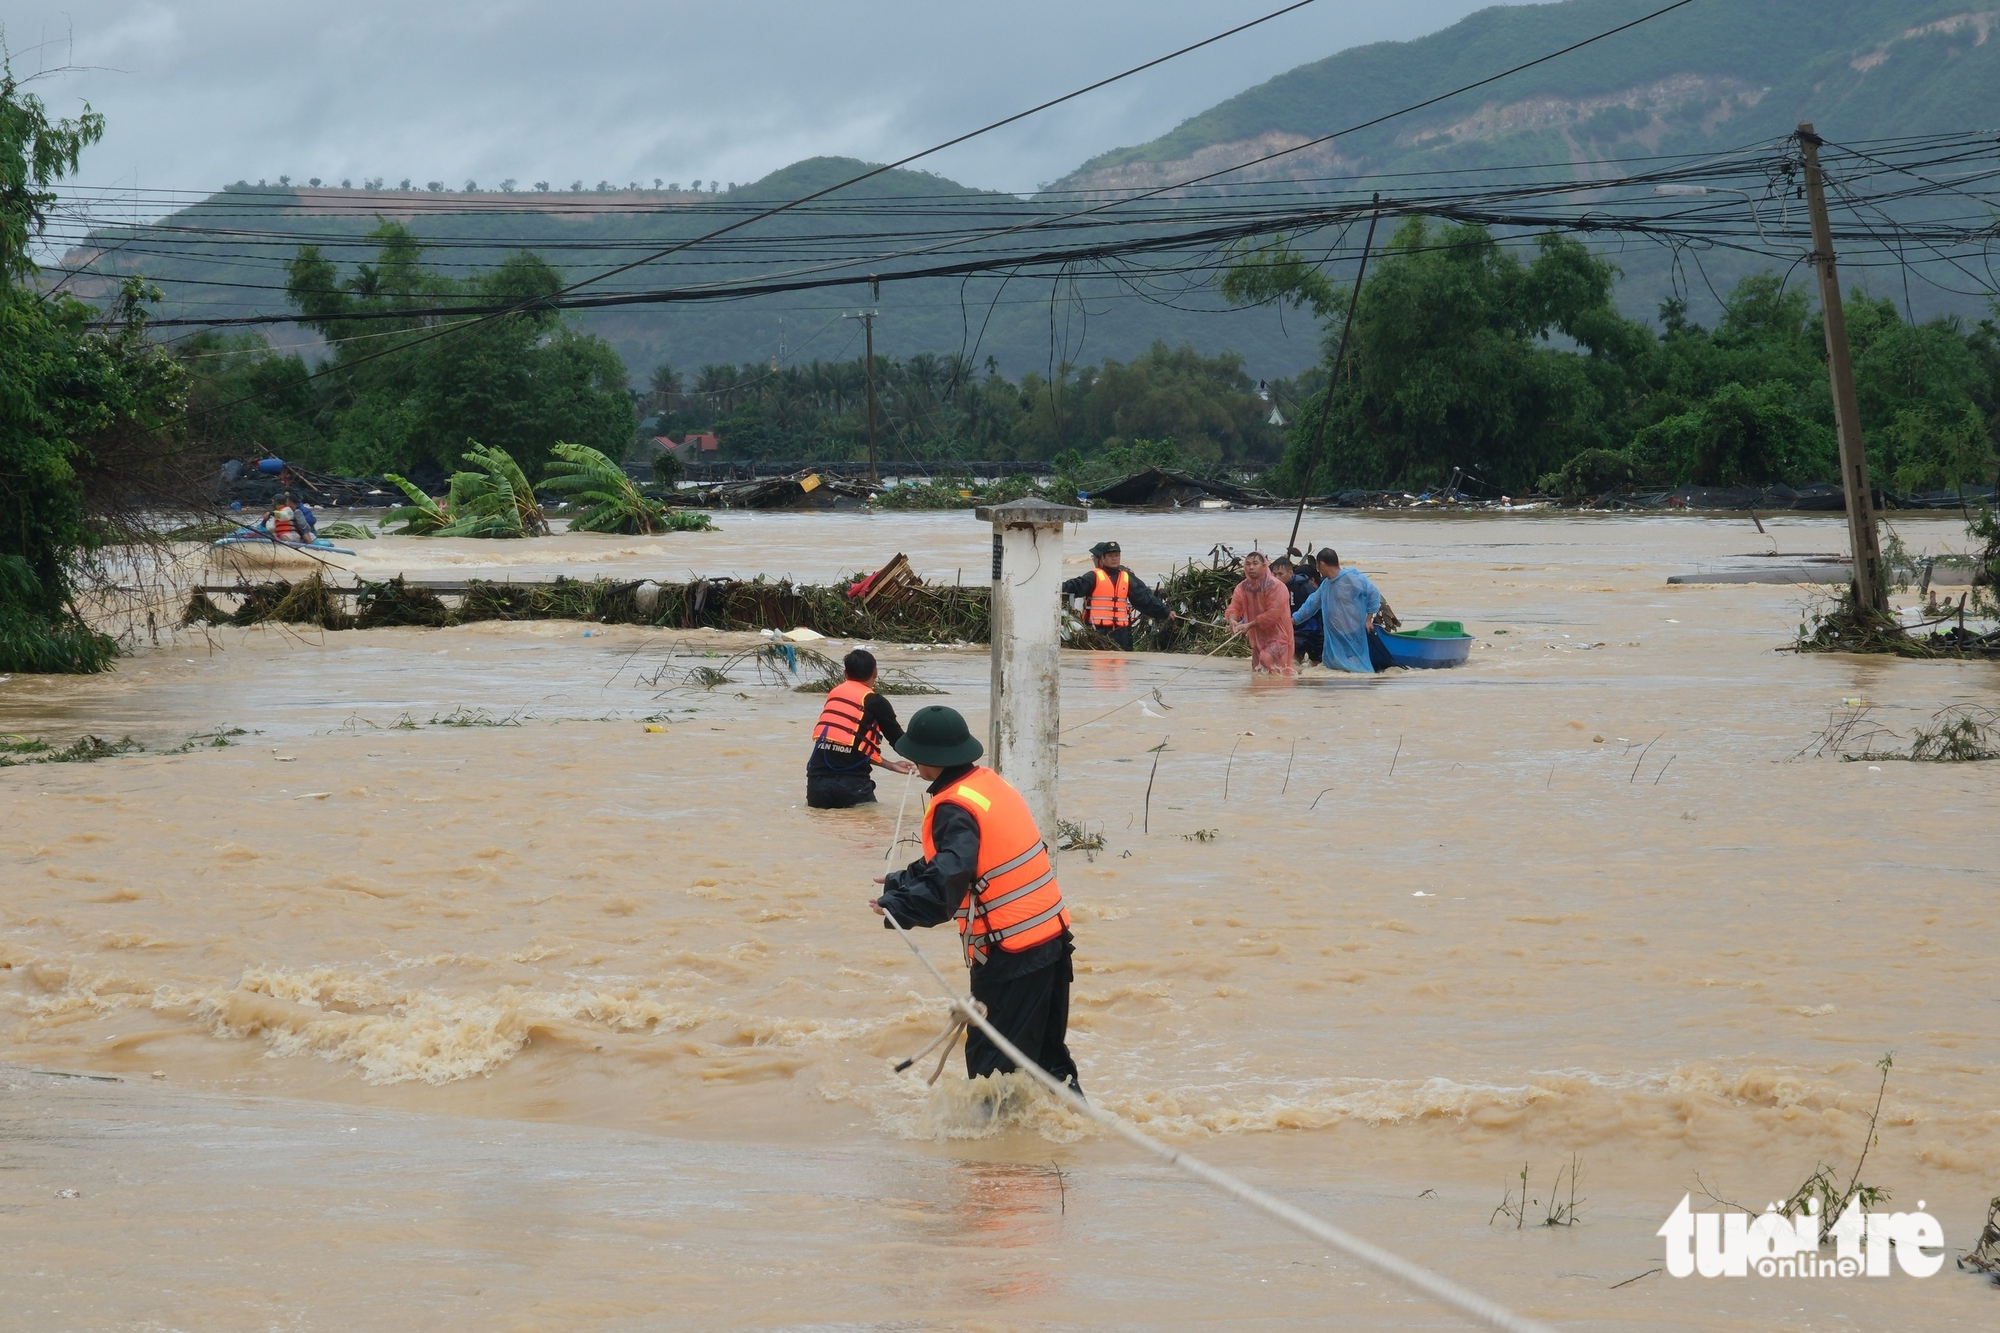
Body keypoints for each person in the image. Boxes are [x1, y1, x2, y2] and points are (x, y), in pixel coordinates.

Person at [869, 706, 1080, 1095]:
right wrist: (902, 880)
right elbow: (972, 862)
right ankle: (1066, 1141)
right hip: (1051, 939)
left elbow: (945, 890)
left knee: (991, 1073)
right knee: (1048, 1062)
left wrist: (898, 907)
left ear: (929, 759)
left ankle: (988, 1156)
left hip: (1010, 955)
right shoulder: (987, 784)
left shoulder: (953, 806)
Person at [807, 648, 915, 808]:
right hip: (852, 786)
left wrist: (890, 765)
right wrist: (933, 764)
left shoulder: (834, 695)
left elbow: (847, 748)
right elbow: (900, 743)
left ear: (845, 673)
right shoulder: (876, 701)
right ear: (875, 672)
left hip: (817, 786)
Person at [1060, 540, 1173, 651]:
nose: (1114, 558)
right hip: (1098, 633)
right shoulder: (1093, 576)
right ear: (1103, 558)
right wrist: (1054, 589)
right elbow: (1073, 586)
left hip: (1122, 633)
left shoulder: (1127, 577)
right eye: (1110, 555)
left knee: (1122, 666)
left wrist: (1166, 612)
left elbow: (1144, 599)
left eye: (1116, 555)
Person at [1293, 547, 1383, 673]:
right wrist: (1294, 619)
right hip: (1334, 637)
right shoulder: (1326, 585)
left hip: (1353, 633)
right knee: (1334, 669)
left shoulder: (1352, 578)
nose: (1317, 569)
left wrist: (1368, 619)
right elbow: (1311, 604)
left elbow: (1373, 593)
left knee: (1357, 668)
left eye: (1318, 565)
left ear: (1322, 563)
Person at [1225, 551, 1294, 675]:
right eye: (1248, 564)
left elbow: (1272, 614)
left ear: (1264, 566)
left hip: (1278, 636)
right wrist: (1232, 620)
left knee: (1270, 663)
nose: (1251, 567)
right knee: (1257, 670)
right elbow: (1234, 606)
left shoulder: (1276, 586)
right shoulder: (1242, 587)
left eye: (1255, 563)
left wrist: (1249, 625)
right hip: (1257, 638)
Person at [1272, 556, 1323, 666]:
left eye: (1280, 574)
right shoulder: (1273, 590)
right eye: (1274, 574)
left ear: (1290, 573)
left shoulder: (1306, 587)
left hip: (1314, 631)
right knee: (1292, 661)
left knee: (1318, 665)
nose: (1276, 578)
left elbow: (1319, 606)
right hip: (1294, 633)